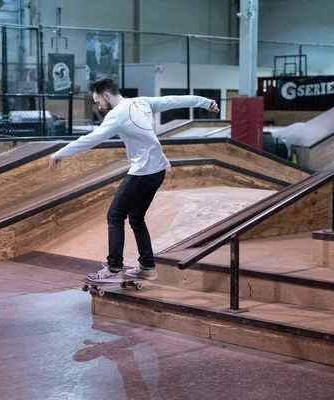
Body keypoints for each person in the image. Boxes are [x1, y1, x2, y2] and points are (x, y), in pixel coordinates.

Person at [48, 77, 219, 283]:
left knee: (115, 216)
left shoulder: (117, 115)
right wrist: (206, 102)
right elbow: (174, 100)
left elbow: (91, 139)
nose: (98, 105)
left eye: (98, 100)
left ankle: (113, 268)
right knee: (136, 218)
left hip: (142, 172)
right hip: (158, 171)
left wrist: (60, 153)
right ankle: (147, 267)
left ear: (107, 95)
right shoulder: (142, 102)